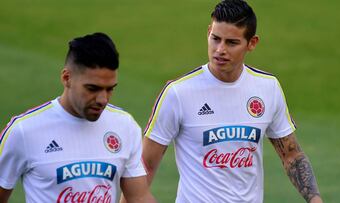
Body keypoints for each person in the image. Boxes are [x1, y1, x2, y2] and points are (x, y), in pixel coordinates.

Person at [142, 0, 323, 202]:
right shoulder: (178, 93)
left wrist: (315, 200)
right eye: (215, 38)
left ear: (252, 43)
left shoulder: (268, 88)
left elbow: (291, 156)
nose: (220, 50)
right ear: (208, 32)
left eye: (231, 42)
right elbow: (144, 166)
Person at [0, 32, 156, 203]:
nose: (102, 99)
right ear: (67, 78)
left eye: (110, 89)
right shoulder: (23, 131)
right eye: (92, 88)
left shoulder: (124, 126)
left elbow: (139, 197)